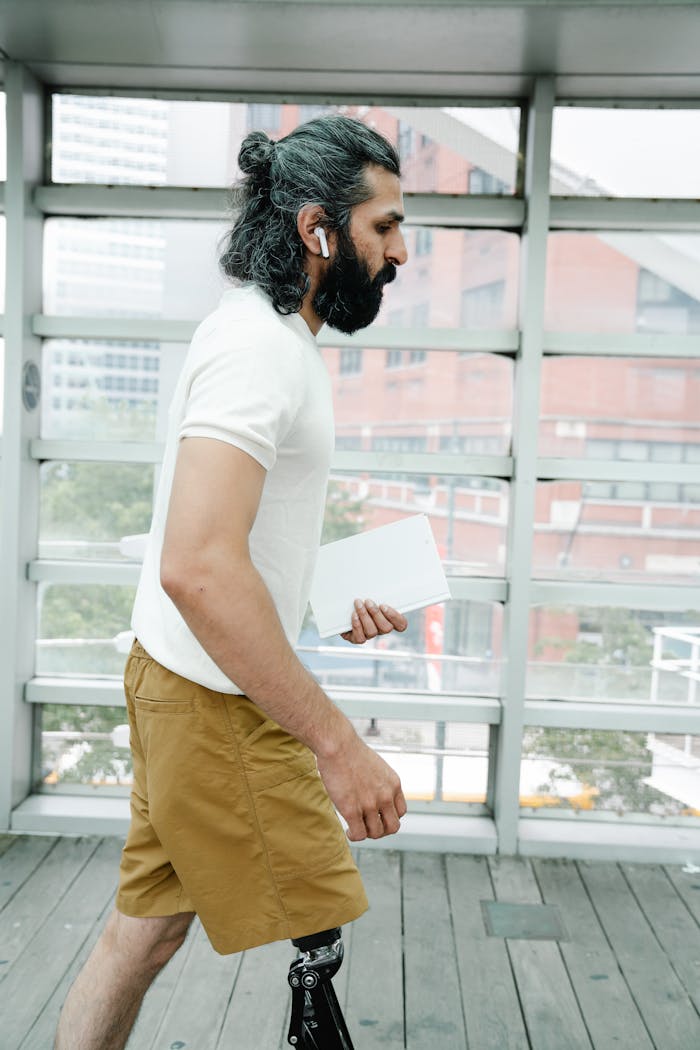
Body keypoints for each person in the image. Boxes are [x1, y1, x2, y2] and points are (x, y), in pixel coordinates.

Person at [55, 114, 409, 1050]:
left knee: (145, 932)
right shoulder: (258, 350)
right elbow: (197, 564)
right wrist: (339, 745)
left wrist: (320, 602)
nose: (399, 252)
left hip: (188, 683)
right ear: (315, 229)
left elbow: (231, 547)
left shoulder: (273, 339)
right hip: (214, 702)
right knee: (318, 919)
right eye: (383, 227)